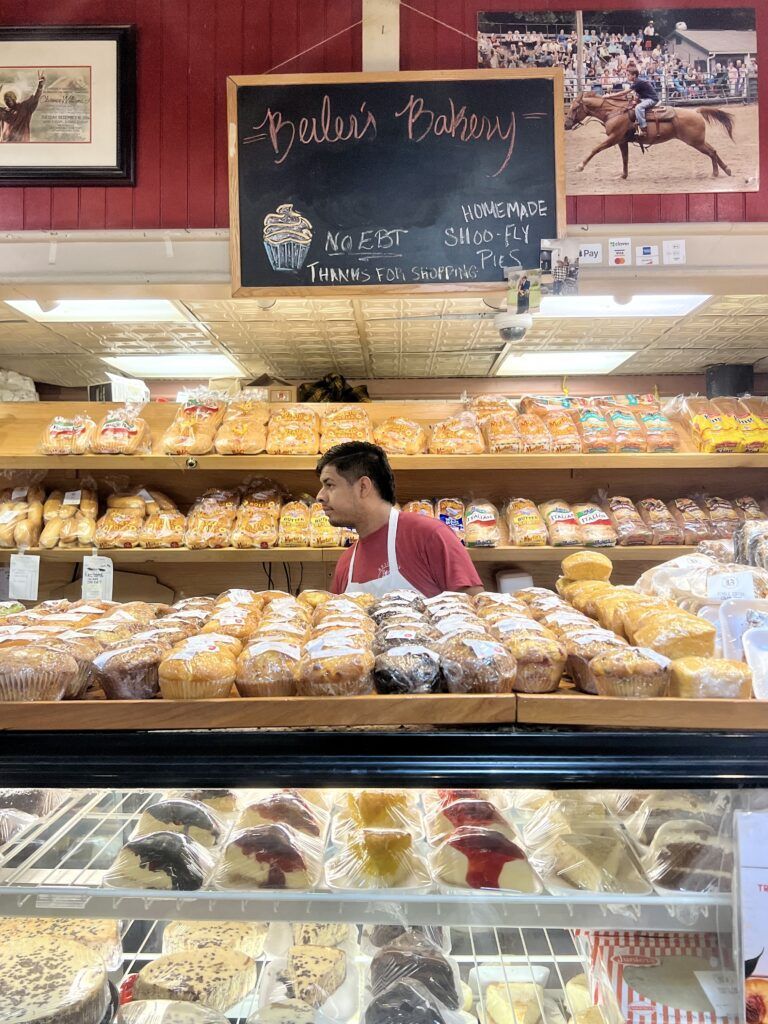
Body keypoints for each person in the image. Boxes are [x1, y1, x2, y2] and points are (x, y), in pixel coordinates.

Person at [316, 442, 483, 598]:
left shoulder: (429, 536)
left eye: (329, 485)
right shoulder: (346, 564)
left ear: (363, 487)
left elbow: (473, 611)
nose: (320, 497)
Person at [0, 73, 44, 143]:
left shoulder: (24, 107)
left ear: (14, 98)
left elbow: (35, 98)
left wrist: (40, 86)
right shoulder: (3, 112)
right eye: (5, 100)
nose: (7, 101)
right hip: (5, 144)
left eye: (9, 99)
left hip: (21, 143)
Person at [627, 67, 658, 137]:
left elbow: (624, 92)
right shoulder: (637, 82)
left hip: (652, 99)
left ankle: (644, 129)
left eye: (628, 75)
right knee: (632, 105)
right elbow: (639, 94)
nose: (627, 77)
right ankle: (636, 125)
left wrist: (610, 96)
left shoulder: (638, 82)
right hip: (646, 98)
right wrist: (635, 100)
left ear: (634, 75)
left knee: (638, 107)